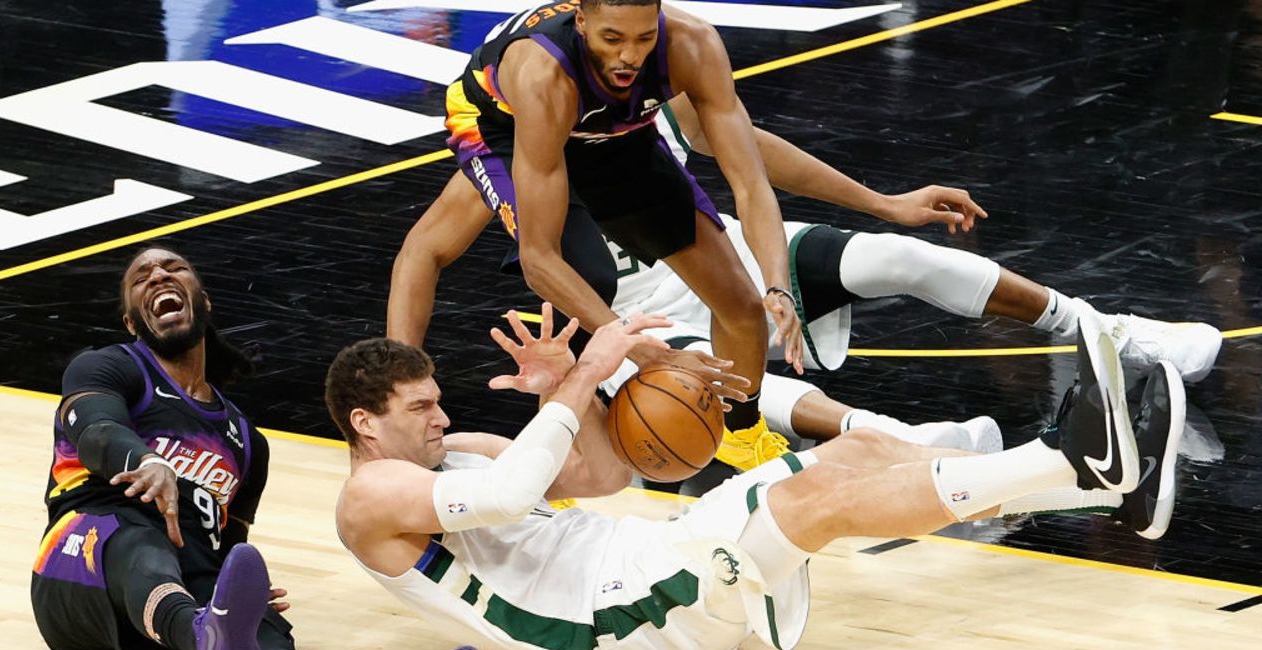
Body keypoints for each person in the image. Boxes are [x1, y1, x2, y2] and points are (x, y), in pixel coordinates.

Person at [327, 305, 1184, 650]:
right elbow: (514, 498)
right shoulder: (371, 499)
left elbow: (600, 474)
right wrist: (586, 372)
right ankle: (1073, 461)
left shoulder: (462, 453)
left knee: (858, 456)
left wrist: (565, 394)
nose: (441, 419)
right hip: (614, 617)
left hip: (640, 560)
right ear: (367, 424)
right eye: (420, 408)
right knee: (816, 502)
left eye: (439, 401)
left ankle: (1105, 490)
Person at [388, 100, 1219, 464]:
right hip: (635, 321)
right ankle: (901, 442)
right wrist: (397, 377)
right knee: (725, 386)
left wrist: (882, 203)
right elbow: (419, 253)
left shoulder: (633, 108)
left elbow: (750, 148)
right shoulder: (496, 168)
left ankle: (1110, 329)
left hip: (721, 262)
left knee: (901, 257)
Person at [31, 247, 488, 650]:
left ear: (204, 302)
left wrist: (244, 596)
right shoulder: (108, 367)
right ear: (131, 323)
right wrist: (144, 459)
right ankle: (204, 633)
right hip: (76, 577)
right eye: (141, 276)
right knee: (134, 538)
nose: (158, 275)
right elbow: (96, 430)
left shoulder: (247, 442)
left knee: (260, 638)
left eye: (174, 268)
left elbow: (226, 551)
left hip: (158, 622)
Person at [436, 0, 811, 471]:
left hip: (610, 130)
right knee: (584, 276)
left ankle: (741, 433)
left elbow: (750, 183)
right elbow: (538, 259)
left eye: (643, 39)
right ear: (582, 22)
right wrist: (636, 351)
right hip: (504, 126)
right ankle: (559, 462)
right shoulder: (543, 74)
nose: (630, 56)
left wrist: (776, 283)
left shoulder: (691, 44)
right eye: (612, 39)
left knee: (742, 306)